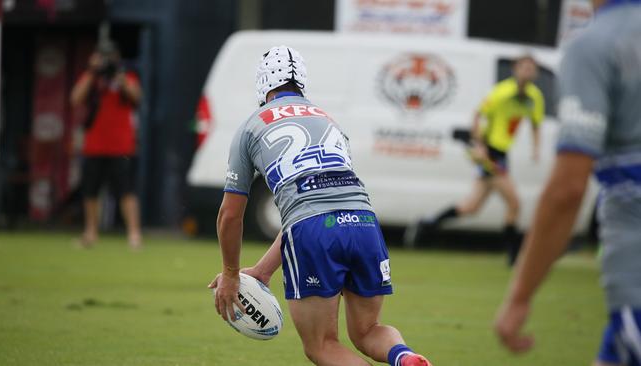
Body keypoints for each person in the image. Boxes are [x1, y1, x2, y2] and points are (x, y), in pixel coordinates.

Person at [208, 46, 431, 366]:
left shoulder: (251, 127)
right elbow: (323, 203)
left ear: (263, 83)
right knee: (368, 331)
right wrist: (261, 271)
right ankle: (404, 357)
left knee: (322, 345)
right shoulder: (329, 121)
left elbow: (230, 215)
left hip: (314, 231)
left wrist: (230, 273)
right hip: (365, 224)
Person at [494, 1, 641, 365]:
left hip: (635, 268)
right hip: (494, 155)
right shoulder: (505, 94)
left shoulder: (595, 44)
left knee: (508, 204)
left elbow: (567, 188)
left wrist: (520, 296)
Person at [405, 55, 544, 266]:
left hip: (502, 153)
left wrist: (536, 148)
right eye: (524, 67)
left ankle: (428, 223)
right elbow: (478, 114)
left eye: (531, 69)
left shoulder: (535, 97)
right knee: (514, 203)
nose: (527, 72)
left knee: (472, 207)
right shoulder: (502, 92)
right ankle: (513, 256)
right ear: (516, 69)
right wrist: (479, 146)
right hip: (490, 152)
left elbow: (535, 123)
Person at [70, 40, 143, 249]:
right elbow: (75, 98)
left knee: (126, 191)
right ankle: (90, 232)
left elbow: (137, 96)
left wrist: (120, 80)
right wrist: (92, 72)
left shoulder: (126, 77)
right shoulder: (92, 78)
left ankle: (134, 234)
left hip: (121, 146)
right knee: (90, 191)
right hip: (94, 145)